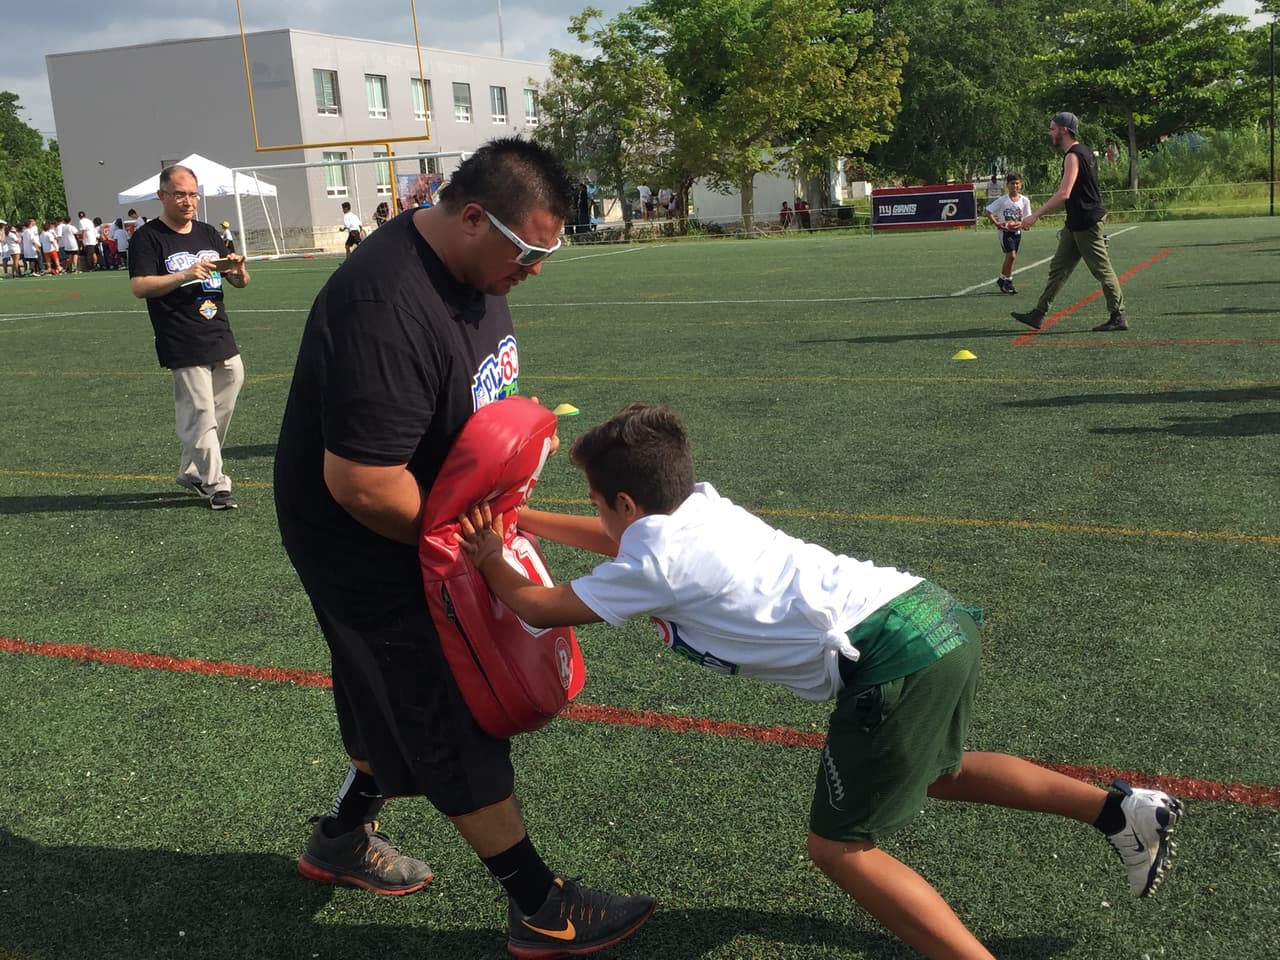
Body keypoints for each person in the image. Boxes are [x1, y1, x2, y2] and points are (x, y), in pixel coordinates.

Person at [456, 402, 1186, 960]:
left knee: (838, 848)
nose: (595, 514)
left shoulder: (654, 562)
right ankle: (1119, 813)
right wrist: (527, 523)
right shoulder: (702, 507)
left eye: (593, 500)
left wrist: (492, 552)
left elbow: (536, 604)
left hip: (889, 658)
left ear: (623, 504)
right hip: (932, 618)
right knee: (936, 771)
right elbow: (621, 540)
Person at [272, 137, 655, 959]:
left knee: (390, 696)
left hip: (440, 519)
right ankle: (540, 907)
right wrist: (469, 548)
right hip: (373, 538)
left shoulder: (477, 267)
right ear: (474, 216)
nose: (536, 269)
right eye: (527, 251)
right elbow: (365, 485)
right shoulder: (386, 304)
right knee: (450, 708)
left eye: (549, 251)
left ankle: (339, 836)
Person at [129, 164, 250, 511]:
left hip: (218, 328)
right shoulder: (148, 238)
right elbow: (140, 286)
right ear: (162, 196)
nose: (188, 201)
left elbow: (240, 282)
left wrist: (238, 272)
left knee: (225, 394)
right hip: (180, 333)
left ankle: (193, 469)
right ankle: (216, 485)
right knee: (200, 410)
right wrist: (183, 275)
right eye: (180, 194)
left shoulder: (209, 233)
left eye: (192, 194)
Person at [1011, 112, 1129, 332]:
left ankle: (1118, 315)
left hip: (1086, 222)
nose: (1050, 133)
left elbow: (1064, 193)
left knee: (1102, 270)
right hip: (1075, 222)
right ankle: (1038, 313)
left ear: (1064, 130)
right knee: (1059, 268)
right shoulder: (1084, 151)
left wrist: (1035, 215)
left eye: (1053, 128)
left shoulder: (1073, 155)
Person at [983, 172, 1032, 295]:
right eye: (1012, 183)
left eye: (1017, 183)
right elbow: (988, 211)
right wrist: (997, 224)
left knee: (1010, 258)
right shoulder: (1002, 200)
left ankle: (1002, 279)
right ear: (1007, 185)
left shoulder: (1024, 201)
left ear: (1020, 185)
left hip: (1017, 232)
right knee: (1011, 256)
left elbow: (1027, 218)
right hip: (1005, 232)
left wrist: (1023, 225)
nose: (1014, 186)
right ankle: (1008, 281)